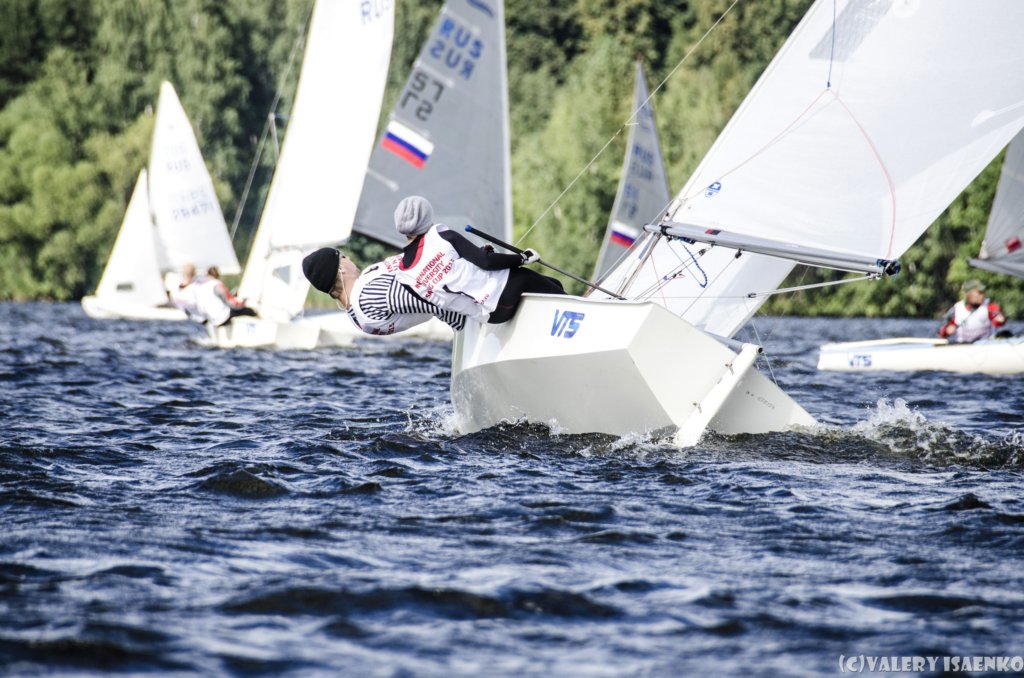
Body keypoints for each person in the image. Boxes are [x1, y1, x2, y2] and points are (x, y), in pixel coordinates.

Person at [390, 195, 565, 323]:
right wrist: (523, 258)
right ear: (426, 218)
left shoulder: (404, 275)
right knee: (546, 283)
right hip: (505, 292)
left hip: (491, 316)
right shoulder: (441, 235)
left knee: (550, 283)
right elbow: (485, 262)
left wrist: (482, 252)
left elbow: (444, 292)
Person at [302, 248, 467, 335]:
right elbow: (428, 297)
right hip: (464, 299)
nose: (349, 258)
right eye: (343, 256)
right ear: (340, 269)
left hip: (458, 311)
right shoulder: (368, 295)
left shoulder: (356, 316)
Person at [937, 279, 1007, 343]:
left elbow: (998, 320)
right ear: (968, 293)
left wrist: (1000, 319)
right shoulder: (957, 308)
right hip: (963, 346)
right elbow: (941, 331)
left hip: (985, 345)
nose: (982, 295)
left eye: (983, 292)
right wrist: (947, 330)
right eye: (979, 293)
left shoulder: (990, 306)